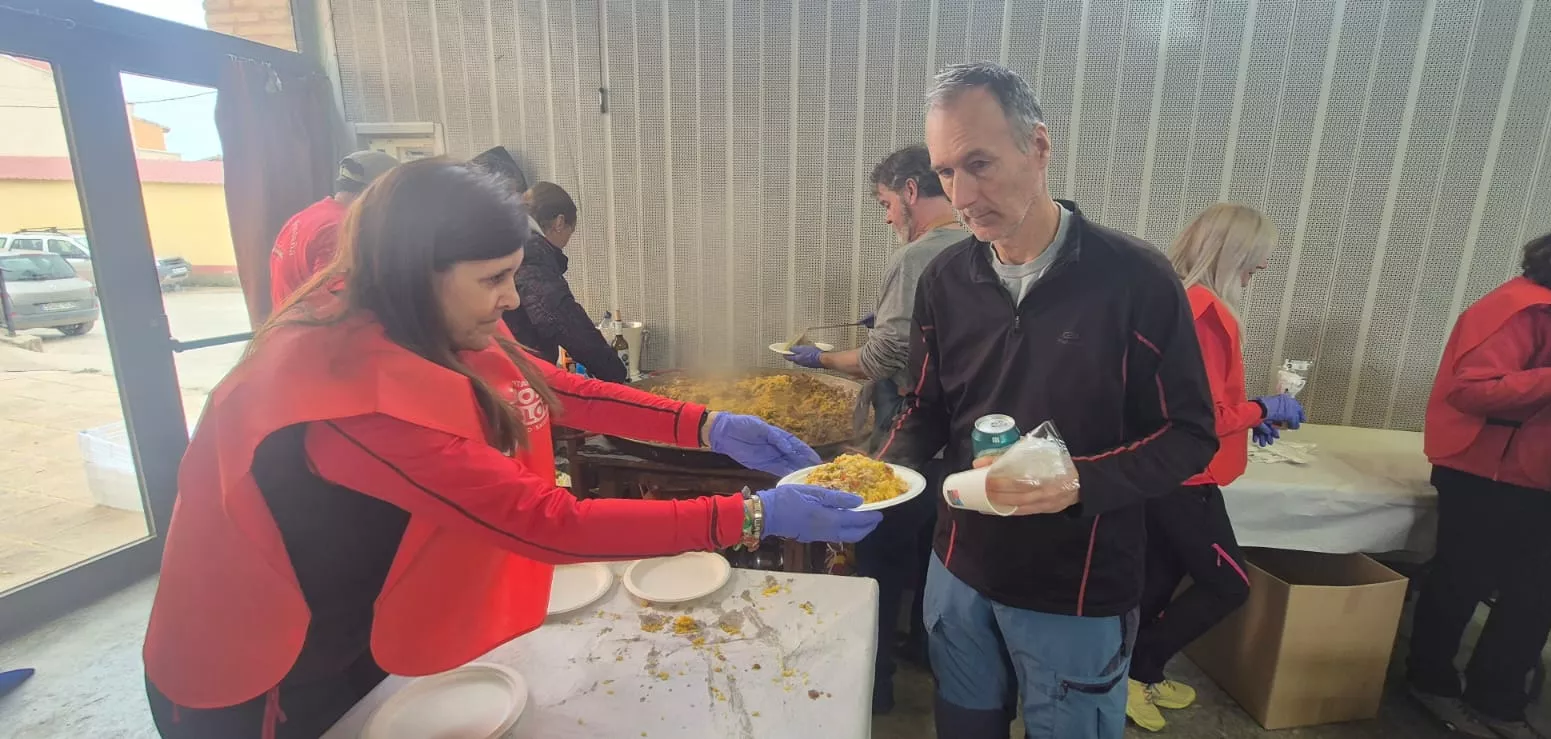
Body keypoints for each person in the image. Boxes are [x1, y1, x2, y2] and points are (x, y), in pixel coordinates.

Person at [142, 159, 882, 739]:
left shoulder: (418, 312)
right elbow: (543, 522)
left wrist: (704, 425)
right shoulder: (336, 392)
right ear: (416, 269)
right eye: (493, 279)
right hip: (259, 666)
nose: (512, 299)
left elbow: (559, 389)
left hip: (360, 620)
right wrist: (750, 516)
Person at [880, 62, 1218, 739]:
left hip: (1078, 586)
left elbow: (1190, 434)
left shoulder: (1135, 280)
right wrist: (873, 481)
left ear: (1038, 147)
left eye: (980, 162)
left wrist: (1079, 483)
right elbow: (923, 411)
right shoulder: (945, 277)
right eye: (947, 172)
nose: (964, 194)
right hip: (961, 569)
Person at [786, 144, 966, 713]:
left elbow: (884, 356)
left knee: (882, 549)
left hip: (916, 421)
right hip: (961, 436)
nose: (886, 216)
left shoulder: (917, 255)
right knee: (931, 545)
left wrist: (818, 359)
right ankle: (925, 653)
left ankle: (876, 683)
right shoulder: (975, 243)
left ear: (911, 192)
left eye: (885, 203)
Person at [1407, 212, 1551, 739]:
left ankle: (1498, 698)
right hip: (1489, 475)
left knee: (1541, 594)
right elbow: (1471, 390)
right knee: (1460, 582)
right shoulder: (1521, 308)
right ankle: (1430, 682)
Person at [1124, 203, 1305, 732]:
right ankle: (1139, 669)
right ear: (1232, 254)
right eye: (1258, 258)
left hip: (1167, 474)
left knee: (1157, 579)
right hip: (1186, 479)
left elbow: (1191, 402)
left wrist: (1249, 418)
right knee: (1229, 586)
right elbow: (1194, 417)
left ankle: (1131, 672)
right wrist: (1261, 409)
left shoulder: (1180, 303)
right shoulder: (1205, 313)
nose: (1263, 269)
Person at [501, 181, 630, 382]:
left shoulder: (507, 239)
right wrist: (614, 372)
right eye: (570, 233)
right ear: (559, 223)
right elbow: (561, 318)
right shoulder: (532, 252)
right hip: (516, 377)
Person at [269, 150, 399, 306]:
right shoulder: (341, 230)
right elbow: (337, 305)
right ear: (374, 194)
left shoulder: (305, 217)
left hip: (290, 326)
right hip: (319, 328)